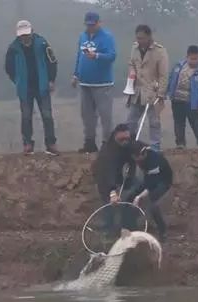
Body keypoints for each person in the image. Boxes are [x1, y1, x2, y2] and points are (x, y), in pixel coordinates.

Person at [5, 20, 60, 156]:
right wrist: (17, 81)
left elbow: (52, 61)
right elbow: (8, 67)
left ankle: (51, 144)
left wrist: (51, 80)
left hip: (42, 85)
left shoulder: (42, 44)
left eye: (27, 34)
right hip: (25, 88)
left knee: (47, 115)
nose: (25, 37)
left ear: (32, 31)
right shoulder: (13, 48)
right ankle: (28, 144)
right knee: (26, 116)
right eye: (22, 35)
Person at [72, 12, 117, 154]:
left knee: (105, 115)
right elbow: (79, 57)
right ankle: (90, 142)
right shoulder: (82, 36)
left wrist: (97, 56)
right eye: (88, 25)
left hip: (102, 83)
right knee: (87, 115)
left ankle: (107, 143)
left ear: (99, 23)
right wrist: (75, 75)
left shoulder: (107, 37)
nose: (90, 27)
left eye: (93, 24)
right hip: (85, 83)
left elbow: (112, 56)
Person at [126, 25, 169, 152]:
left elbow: (164, 74)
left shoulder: (160, 51)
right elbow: (131, 63)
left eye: (142, 38)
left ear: (149, 37)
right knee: (131, 120)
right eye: (138, 38)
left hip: (152, 92)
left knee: (154, 121)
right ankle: (130, 144)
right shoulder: (134, 48)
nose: (140, 40)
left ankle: (155, 146)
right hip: (137, 91)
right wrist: (132, 74)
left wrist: (161, 93)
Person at [92, 124, 137, 235]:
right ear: (115, 136)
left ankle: (128, 226)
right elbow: (109, 172)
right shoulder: (108, 152)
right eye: (122, 139)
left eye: (127, 139)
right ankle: (108, 229)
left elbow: (132, 161)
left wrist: (130, 176)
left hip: (119, 174)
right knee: (109, 202)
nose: (125, 142)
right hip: (104, 176)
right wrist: (112, 191)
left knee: (131, 194)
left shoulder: (128, 143)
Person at [128, 140, 173, 242]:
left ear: (140, 155)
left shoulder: (154, 161)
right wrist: (135, 196)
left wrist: (139, 197)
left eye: (135, 158)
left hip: (162, 182)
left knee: (153, 206)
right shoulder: (139, 155)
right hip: (149, 179)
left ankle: (163, 231)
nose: (134, 160)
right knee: (129, 198)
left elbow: (151, 184)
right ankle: (130, 228)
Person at [167, 45, 198, 149]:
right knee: (178, 122)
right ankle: (180, 143)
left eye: (196, 59)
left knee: (195, 123)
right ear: (187, 57)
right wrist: (166, 92)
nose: (193, 61)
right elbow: (171, 79)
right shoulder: (178, 67)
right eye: (191, 58)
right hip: (177, 100)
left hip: (191, 102)